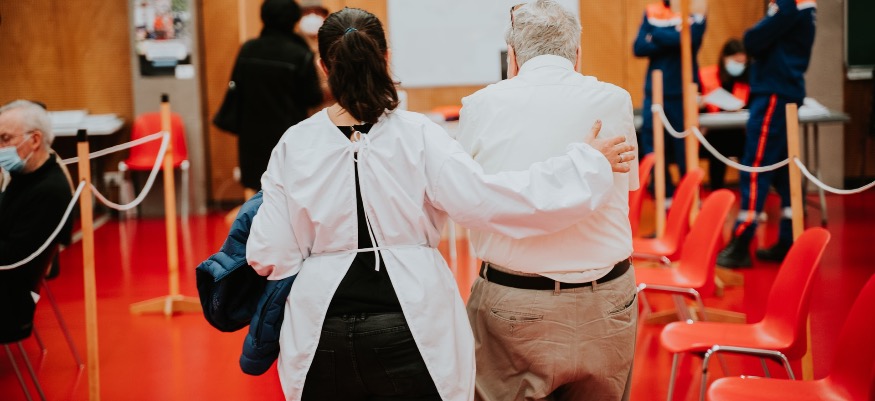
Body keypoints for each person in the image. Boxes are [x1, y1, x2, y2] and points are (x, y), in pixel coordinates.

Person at [245, 7, 635, 401]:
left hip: (319, 329)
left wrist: (325, 257)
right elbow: (492, 202)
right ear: (386, 57)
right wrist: (585, 166)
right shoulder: (418, 135)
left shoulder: (294, 144)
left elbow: (266, 253)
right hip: (410, 321)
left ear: (324, 67)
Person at [456, 1, 638, 400]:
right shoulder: (614, 100)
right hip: (607, 301)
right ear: (577, 53)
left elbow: (470, 197)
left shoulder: (480, 105)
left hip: (515, 302)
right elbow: (626, 187)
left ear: (513, 57)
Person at [717, 0, 817, 268]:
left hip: (774, 91)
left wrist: (752, 37)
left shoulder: (789, 3)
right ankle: (789, 238)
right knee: (784, 171)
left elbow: (752, 40)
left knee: (756, 166)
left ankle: (741, 241)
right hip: (784, 89)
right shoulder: (804, 5)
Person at [222, 0, 323, 195]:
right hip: (288, 137)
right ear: (294, 20)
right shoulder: (299, 54)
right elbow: (312, 97)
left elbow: (237, 88)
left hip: (252, 137)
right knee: (287, 192)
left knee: (258, 192)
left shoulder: (248, 49)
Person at [0, 100, 73, 343]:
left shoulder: (48, 191)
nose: (0, 147)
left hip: (10, 304)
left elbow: (13, 258)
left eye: (5, 139)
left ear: (34, 140)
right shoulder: (25, 175)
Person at [634, 0, 707, 204]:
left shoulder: (696, 9)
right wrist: (675, 38)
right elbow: (639, 47)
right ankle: (663, 196)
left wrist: (656, 35)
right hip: (654, 93)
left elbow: (691, 39)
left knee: (685, 149)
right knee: (653, 146)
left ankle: (690, 198)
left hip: (683, 93)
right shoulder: (652, 11)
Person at [699, 38, 750, 189]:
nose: (739, 66)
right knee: (718, 146)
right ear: (725, 58)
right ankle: (716, 189)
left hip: (739, 132)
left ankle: (747, 191)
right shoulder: (706, 75)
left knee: (748, 148)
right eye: (736, 61)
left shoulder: (748, 79)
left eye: (742, 62)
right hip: (713, 132)